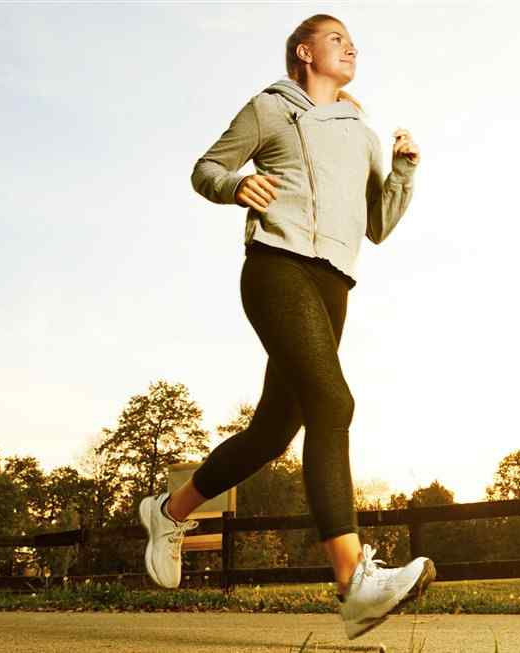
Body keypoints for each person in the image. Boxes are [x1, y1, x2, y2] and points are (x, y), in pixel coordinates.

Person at [136, 13, 435, 640]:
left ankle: (170, 511)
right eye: (336, 37)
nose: (350, 45)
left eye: (353, 40)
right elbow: (206, 168)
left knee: (274, 431)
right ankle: (353, 583)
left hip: (335, 284)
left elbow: (377, 225)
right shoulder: (269, 109)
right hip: (276, 268)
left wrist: (404, 170)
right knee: (333, 402)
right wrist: (235, 185)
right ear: (304, 51)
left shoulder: (364, 134)